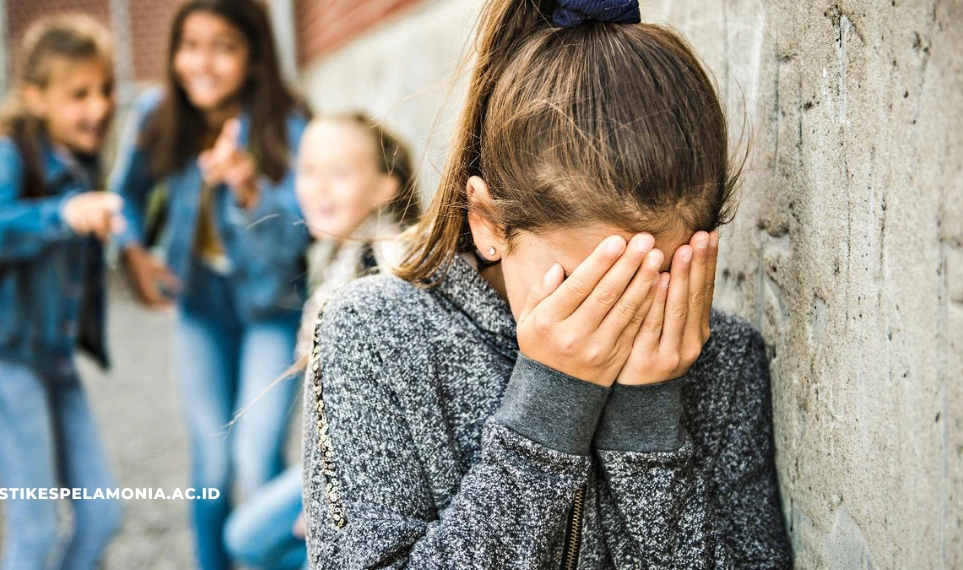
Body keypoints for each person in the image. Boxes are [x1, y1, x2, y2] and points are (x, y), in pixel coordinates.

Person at [302, 0, 793, 567]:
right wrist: (548, 410)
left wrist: (648, 427)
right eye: (585, 286)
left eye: (652, 277)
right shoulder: (374, 334)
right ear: (488, 223)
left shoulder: (723, 358)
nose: (616, 315)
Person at [108, 1, 309, 567]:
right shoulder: (157, 114)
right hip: (199, 308)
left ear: (254, 57)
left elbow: (297, 239)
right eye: (191, 45)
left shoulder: (287, 123)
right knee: (212, 468)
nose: (202, 62)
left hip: (272, 308)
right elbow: (123, 195)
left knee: (255, 458)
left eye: (224, 47)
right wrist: (132, 252)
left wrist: (248, 189)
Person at [224, 112, 420, 569]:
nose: (318, 187)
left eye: (339, 173)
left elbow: (386, 409)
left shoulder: (385, 266)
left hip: (369, 476)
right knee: (244, 536)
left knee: (254, 542)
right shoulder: (342, 252)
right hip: (337, 461)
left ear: (385, 187)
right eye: (308, 170)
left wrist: (330, 502)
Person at [0, 15, 125, 570]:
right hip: (6, 366)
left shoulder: (80, 162)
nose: (99, 106)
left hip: (56, 363)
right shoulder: (5, 154)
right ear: (35, 97)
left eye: (105, 89)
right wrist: (63, 213)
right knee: (34, 532)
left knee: (102, 516)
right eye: (79, 94)